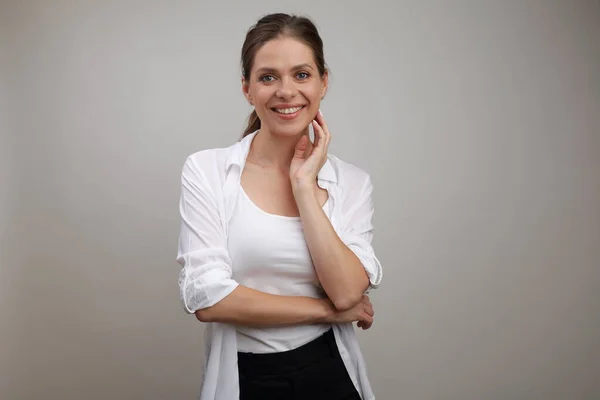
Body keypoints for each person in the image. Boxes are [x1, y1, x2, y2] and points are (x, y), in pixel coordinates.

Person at [176, 13, 383, 400]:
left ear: (324, 82)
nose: (286, 91)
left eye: (301, 75)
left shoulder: (353, 183)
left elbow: (346, 293)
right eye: (268, 77)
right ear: (247, 89)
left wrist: (304, 186)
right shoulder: (207, 171)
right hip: (247, 378)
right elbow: (209, 299)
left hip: (329, 372)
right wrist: (325, 312)